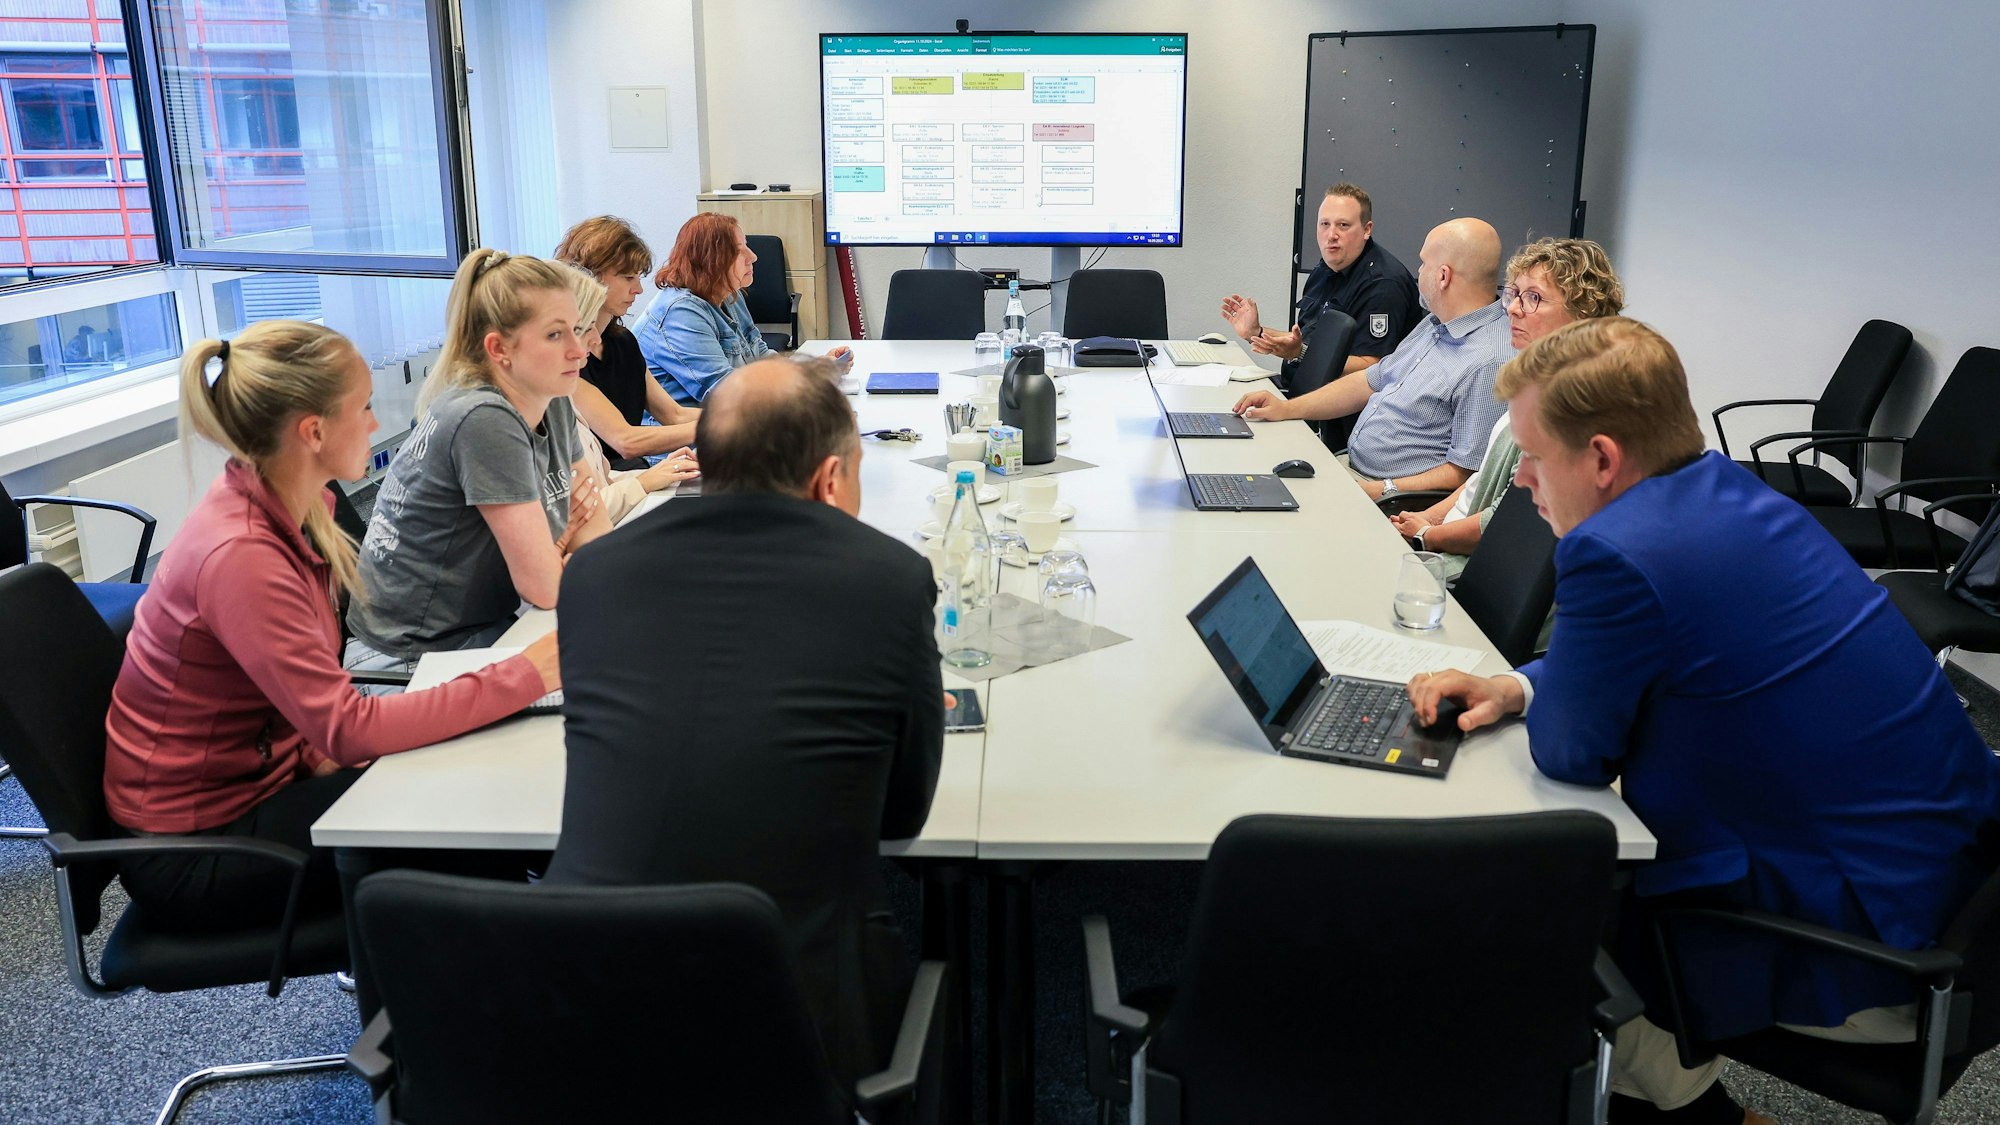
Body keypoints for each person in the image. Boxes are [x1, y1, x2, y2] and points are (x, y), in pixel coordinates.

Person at [1407, 317, 2000, 1125]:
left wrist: (1547, 702)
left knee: (1524, 902)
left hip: (1874, 950)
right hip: (1948, 891)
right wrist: (1518, 687)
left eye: (1535, 457)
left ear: (1603, 459)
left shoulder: (1613, 550)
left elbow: (1574, 752)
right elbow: (1647, 660)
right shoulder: (1729, 493)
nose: (1523, 482)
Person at [545, 355, 945, 1096]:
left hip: (586, 1001)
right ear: (831, 479)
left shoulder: (595, 575)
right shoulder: (888, 578)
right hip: (796, 1017)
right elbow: (902, 816)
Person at [102, 321, 559, 933]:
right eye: (364, 407)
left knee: (471, 786)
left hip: (264, 780)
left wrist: (318, 751)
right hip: (196, 848)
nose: (375, 423)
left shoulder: (297, 505)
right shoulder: (242, 555)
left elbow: (303, 693)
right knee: (476, 818)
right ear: (313, 432)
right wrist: (527, 674)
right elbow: (348, 727)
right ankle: (471, 980)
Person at [345, 249, 610, 672]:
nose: (579, 350)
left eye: (578, 329)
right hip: (408, 658)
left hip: (487, 626)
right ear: (499, 348)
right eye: (555, 335)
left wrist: (559, 554)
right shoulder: (483, 418)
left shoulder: (552, 396)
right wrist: (559, 546)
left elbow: (597, 537)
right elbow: (544, 587)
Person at [1387, 237, 1625, 580]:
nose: (1513, 308)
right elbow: (1481, 479)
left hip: (1467, 573)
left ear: (1581, 314)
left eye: (1533, 298)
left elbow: (1503, 520)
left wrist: (1427, 536)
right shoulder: (1535, 384)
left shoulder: (1569, 410)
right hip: (1444, 547)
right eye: (1514, 294)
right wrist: (1427, 519)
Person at [1232, 217, 1511, 502]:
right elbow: (1370, 380)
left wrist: (1378, 490)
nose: (1418, 271)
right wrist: (1285, 409)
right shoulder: (1434, 325)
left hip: (1389, 497)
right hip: (1352, 469)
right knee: (1251, 477)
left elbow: (1466, 474)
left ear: (1443, 276)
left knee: (1259, 503)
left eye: (1423, 263)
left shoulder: (1488, 362)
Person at [634, 212, 850, 405]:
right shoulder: (680, 313)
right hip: (685, 433)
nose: (753, 257)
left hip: (727, 420)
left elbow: (761, 358)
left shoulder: (728, 294)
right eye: (739, 251)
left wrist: (816, 368)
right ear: (711, 260)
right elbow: (724, 392)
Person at [1219, 182, 1419, 388]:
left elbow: (1374, 368)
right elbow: (1304, 342)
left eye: (1343, 225)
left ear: (1366, 230)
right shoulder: (1325, 269)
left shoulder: (1383, 283)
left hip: (1338, 405)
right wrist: (1257, 332)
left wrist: (1300, 354)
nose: (1331, 235)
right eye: (1325, 224)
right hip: (1297, 389)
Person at [553, 215, 701, 467]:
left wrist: (741, 419)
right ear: (591, 276)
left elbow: (673, 414)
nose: (639, 289)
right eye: (628, 277)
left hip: (630, 474)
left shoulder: (623, 342)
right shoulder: (568, 357)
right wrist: (724, 426)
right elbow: (625, 440)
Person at [558, 262, 697, 523]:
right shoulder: (541, 405)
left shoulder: (557, 403)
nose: (595, 338)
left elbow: (601, 484)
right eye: (584, 328)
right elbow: (575, 518)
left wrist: (663, 472)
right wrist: (643, 481)